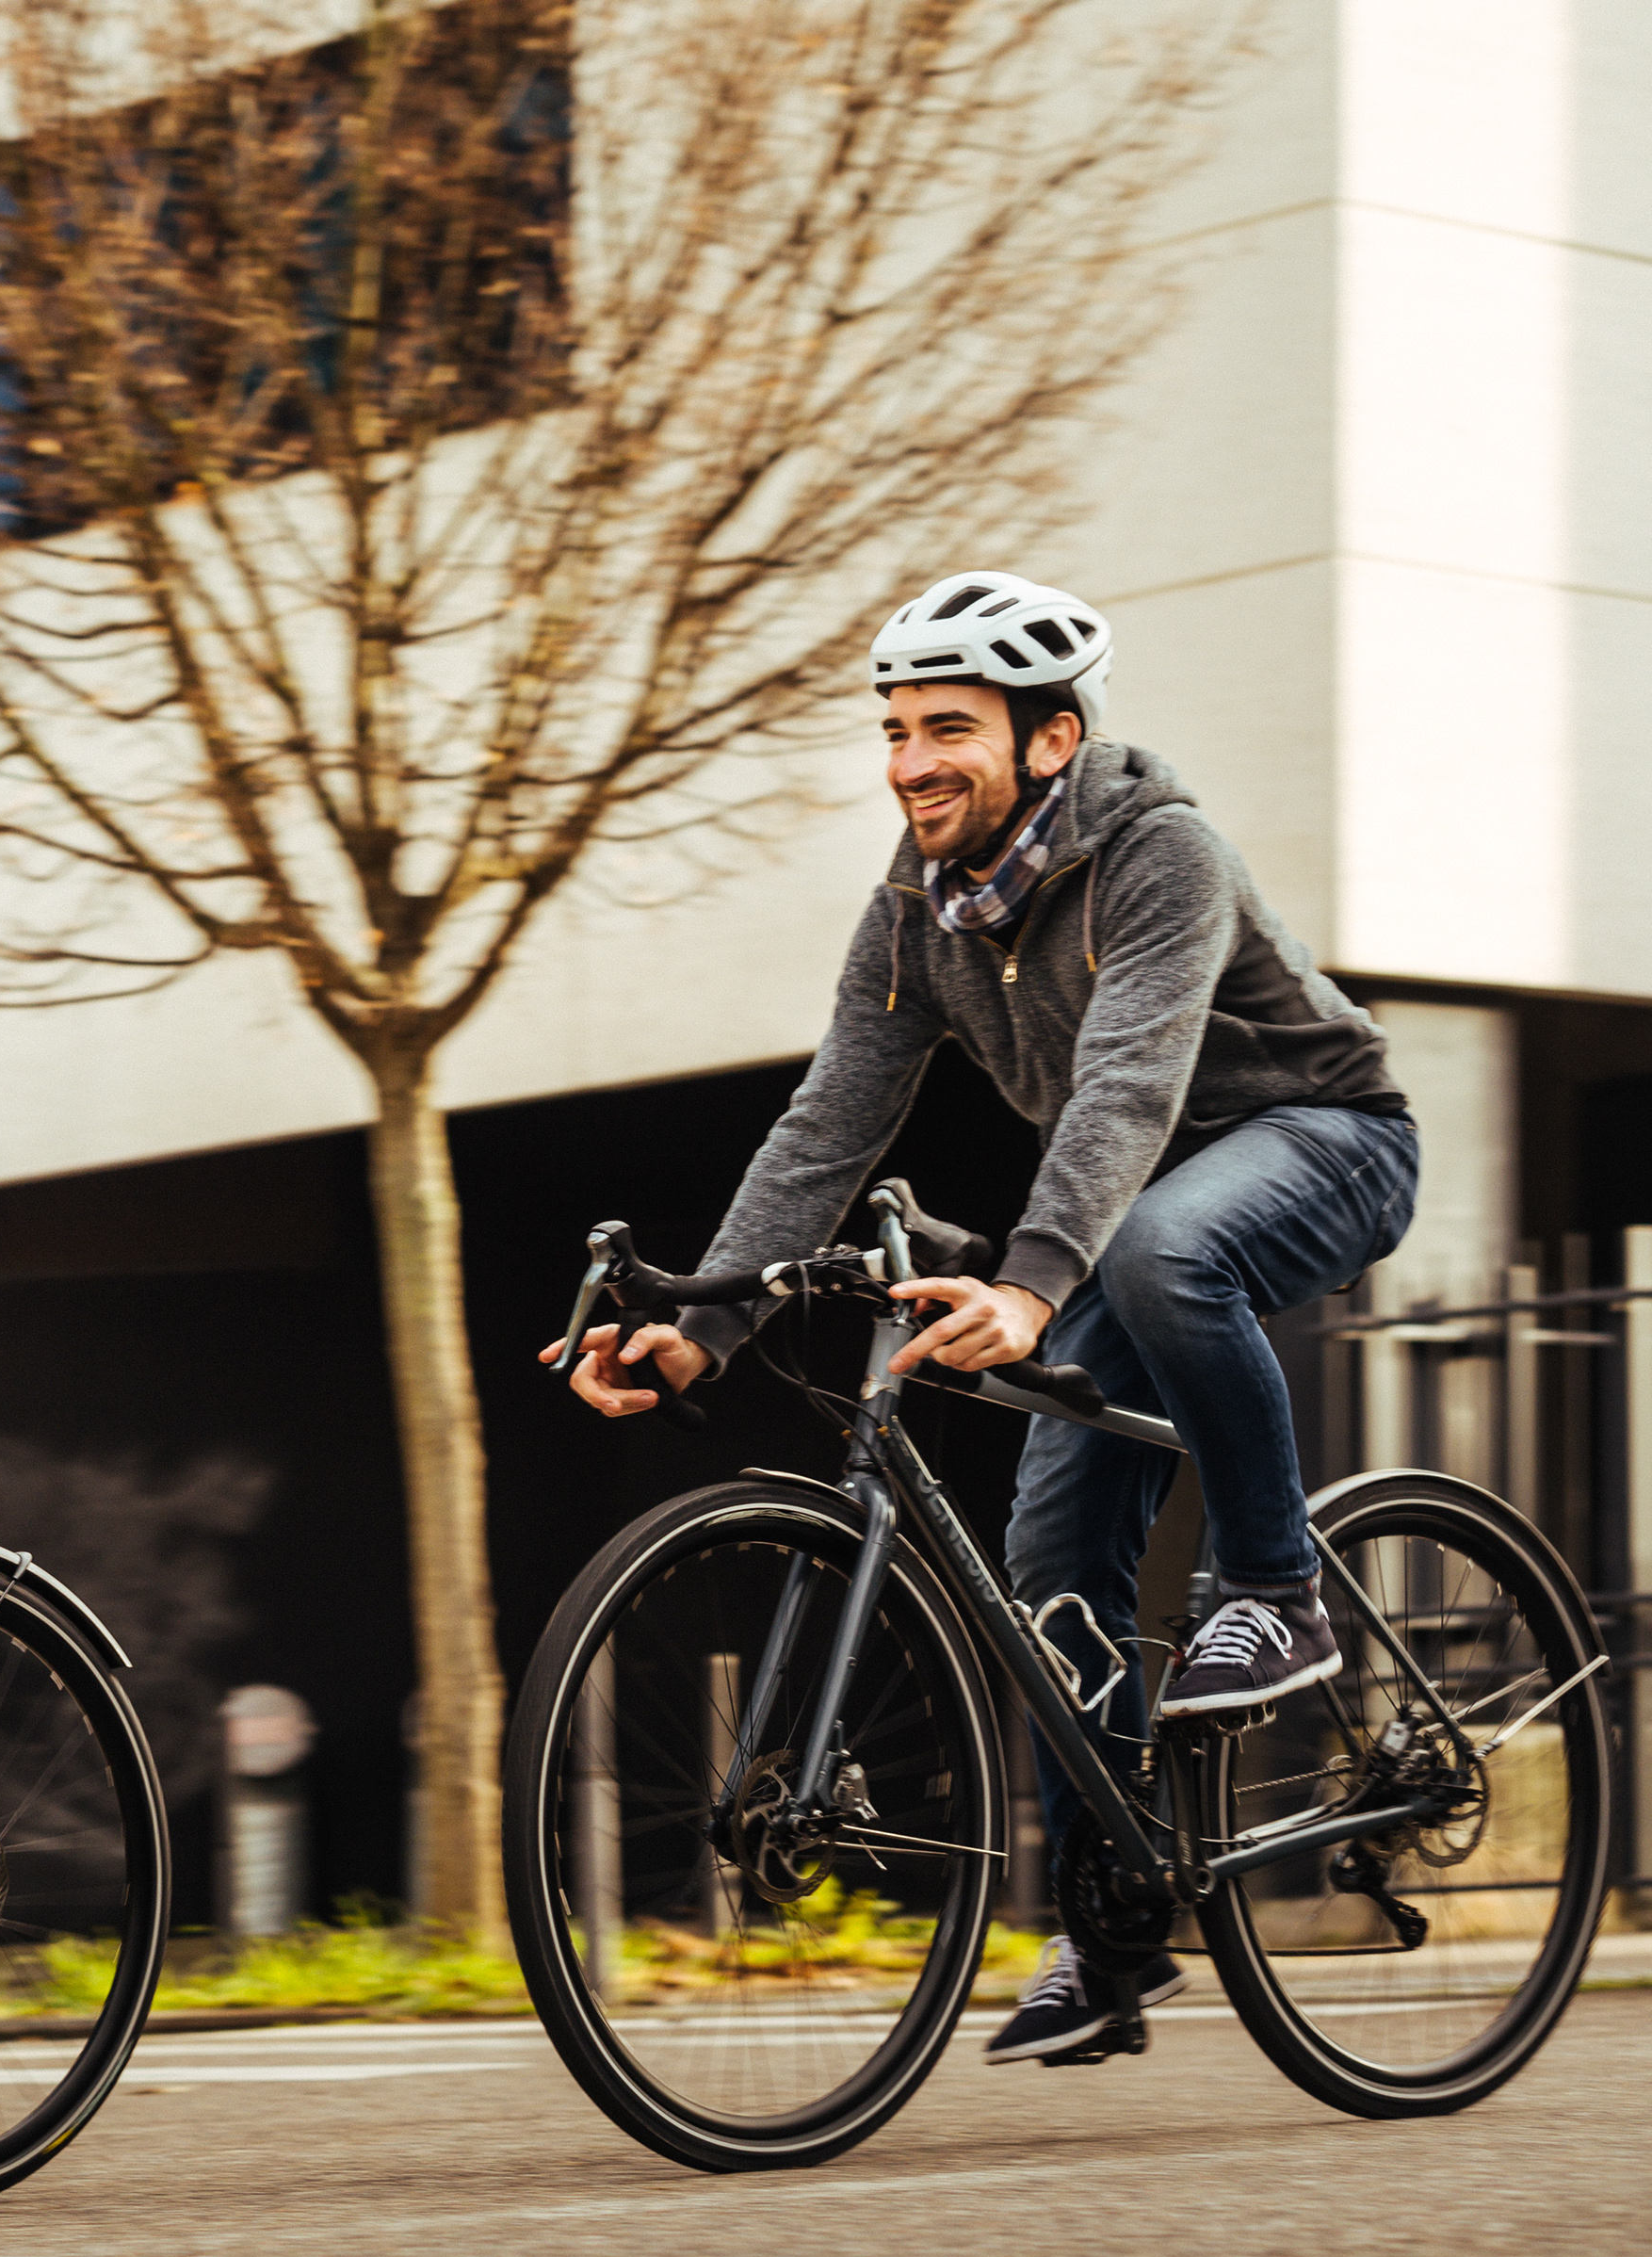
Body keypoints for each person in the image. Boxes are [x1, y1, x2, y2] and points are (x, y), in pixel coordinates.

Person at [548, 570, 1417, 2066]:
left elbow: (1128, 1087)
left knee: (1162, 1247)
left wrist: (1029, 1284)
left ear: (1052, 738)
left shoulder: (1161, 853)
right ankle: (1113, 1928)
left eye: (948, 728)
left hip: (1322, 1140)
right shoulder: (920, 909)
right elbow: (828, 1126)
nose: (910, 763)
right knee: (1052, 1554)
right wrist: (710, 1329)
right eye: (894, 731)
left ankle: (1278, 1590)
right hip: (1130, 1218)